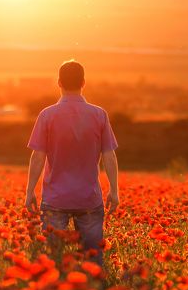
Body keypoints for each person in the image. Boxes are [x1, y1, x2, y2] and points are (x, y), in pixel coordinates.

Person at [24, 60, 119, 267]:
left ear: (59, 83)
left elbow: (38, 157)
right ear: (83, 82)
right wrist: (114, 190)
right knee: (93, 260)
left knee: (53, 259)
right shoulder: (99, 115)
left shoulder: (47, 115)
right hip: (89, 199)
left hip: (55, 199)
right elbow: (109, 155)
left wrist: (30, 190)